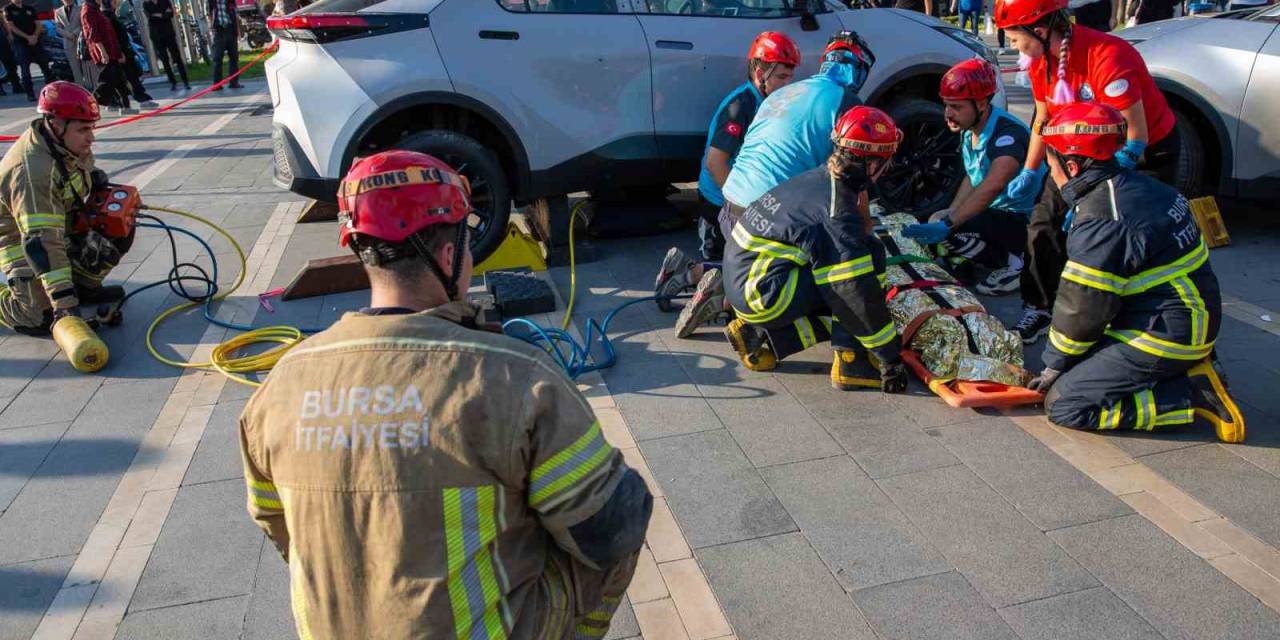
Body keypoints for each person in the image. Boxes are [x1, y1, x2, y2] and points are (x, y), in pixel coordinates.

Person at [238, 150, 652, 639]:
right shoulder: (515, 378)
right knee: (620, 511)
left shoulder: (280, 385)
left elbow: (275, 521)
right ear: (450, 255)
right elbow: (610, 529)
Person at [1025, 102, 1245, 444]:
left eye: (1050, 166)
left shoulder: (1102, 216)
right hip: (1184, 315)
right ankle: (1186, 370)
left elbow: (1082, 306)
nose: (1049, 176)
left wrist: (1055, 363)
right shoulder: (1138, 187)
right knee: (1081, 365)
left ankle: (1189, 394)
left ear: (1071, 166)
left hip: (1167, 332)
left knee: (1066, 403)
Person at [995, 0, 1179, 344]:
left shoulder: (1105, 55)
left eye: (1016, 40)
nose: (1016, 49)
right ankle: (1038, 306)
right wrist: (1031, 171)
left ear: (1039, 30)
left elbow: (1136, 135)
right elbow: (1043, 119)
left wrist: (1095, 193)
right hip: (1078, 153)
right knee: (1042, 224)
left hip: (1138, 152)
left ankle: (1135, 319)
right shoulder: (1040, 63)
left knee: (1123, 235)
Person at [674, 30, 876, 339]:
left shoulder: (786, 94)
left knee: (758, 259)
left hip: (732, 212)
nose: (786, 78)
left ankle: (718, 282)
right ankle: (727, 294)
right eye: (781, 73)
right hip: (756, 215)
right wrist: (863, 230)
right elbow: (851, 178)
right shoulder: (845, 103)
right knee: (833, 261)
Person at [718, 106, 910, 393]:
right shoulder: (835, 209)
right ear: (872, 164)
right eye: (886, 162)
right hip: (762, 293)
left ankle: (765, 339)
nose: (887, 169)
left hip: (742, 278)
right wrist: (889, 356)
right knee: (855, 276)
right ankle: (852, 364)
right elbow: (852, 289)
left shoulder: (820, 179)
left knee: (854, 260)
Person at [653, 31, 800, 312]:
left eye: (790, 77)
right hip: (720, 199)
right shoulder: (740, 107)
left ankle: (690, 273)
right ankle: (688, 276)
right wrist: (740, 210)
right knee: (743, 266)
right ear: (760, 72)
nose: (787, 84)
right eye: (781, 77)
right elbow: (715, 163)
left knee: (747, 261)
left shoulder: (766, 101)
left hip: (738, 194)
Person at [903, 58, 1044, 295]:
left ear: (980, 104)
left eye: (956, 107)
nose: (948, 114)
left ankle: (1017, 264)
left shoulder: (1006, 136)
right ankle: (984, 255)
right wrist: (951, 212)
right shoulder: (972, 129)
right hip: (1000, 214)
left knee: (951, 227)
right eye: (946, 105)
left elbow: (993, 184)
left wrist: (950, 222)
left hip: (1024, 221)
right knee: (940, 219)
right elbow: (973, 176)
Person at [0, 82, 128, 335]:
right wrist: (65, 307)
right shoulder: (32, 174)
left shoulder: (64, 143)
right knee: (39, 319)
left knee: (118, 223)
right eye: (83, 130)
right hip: (21, 242)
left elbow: (79, 170)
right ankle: (19, 301)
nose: (91, 138)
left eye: (92, 128)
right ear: (55, 123)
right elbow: (41, 244)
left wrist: (95, 177)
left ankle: (83, 289)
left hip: (59, 227)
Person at [81, 0, 131, 113]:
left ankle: (126, 106)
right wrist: (103, 53)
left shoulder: (97, 9)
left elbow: (110, 32)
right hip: (103, 52)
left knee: (120, 80)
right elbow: (92, 34)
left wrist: (119, 52)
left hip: (112, 50)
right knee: (107, 81)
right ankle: (87, 103)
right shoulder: (88, 10)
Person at [103, 0, 155, 107]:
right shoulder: (107, 16)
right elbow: (112, 37)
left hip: (125, 50)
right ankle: (137, 97)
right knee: (127, 76)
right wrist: (120, 52)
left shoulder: (112, 14)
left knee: (132, 74)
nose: (116, 2)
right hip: (120, 52)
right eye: (114, 1)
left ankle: (139, 96)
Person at [4, 0, 53, 100]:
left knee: (46, 67)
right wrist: (27, 37)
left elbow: (38, 24)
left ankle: (52, 92)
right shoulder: (8, 9)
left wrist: (34, 36)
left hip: (35, 42)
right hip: (21, 44)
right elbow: (11, 26)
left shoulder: (29, 8)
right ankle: (30, 94)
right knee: (25, 70)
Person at [142, 0, 189, 91]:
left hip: (168, 33)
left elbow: (170, 14)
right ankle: (173, 82)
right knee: (164, 60)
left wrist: (158, 15)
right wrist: (163, 14)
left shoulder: (165, 1)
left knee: (177, 57)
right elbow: (150, 17)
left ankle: (185, 81)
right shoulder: (146, 4)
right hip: (156, 36)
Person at [206, 0, 241, 89]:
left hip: (230, 28)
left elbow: (235, 14)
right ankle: (217, 84)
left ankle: (234, 82)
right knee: (217, 58)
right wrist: (211, 28)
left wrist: (238, 32)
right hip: (218, 30)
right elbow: (208, 13)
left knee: (234, 57)